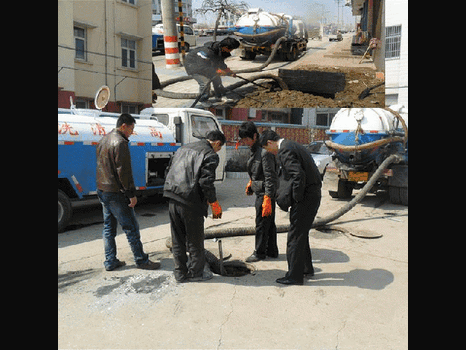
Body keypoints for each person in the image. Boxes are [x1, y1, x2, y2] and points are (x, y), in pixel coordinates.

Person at [96, 113, 160, 271]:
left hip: (103, 189)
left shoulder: (104, 139)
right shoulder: (120, 143)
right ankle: (141, 260)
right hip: (116, 193)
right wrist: (131, 194)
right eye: (131, 128)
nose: (132, 132)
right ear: (124, 126)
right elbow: (123, 172)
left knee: (108, 228)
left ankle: (110, 261)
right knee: (131, 227)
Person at [260, 130, 322, 285]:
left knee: (294, 237)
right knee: (301, 234)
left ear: (270, 143)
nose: (272, 153)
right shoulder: (292, 144)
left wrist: (296, 199)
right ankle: (306, 268)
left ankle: (294, 276)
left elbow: (298, 175)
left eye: (269, 150)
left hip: (306, 198)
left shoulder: (285, 149)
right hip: (312, 194)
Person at [163, 130, 226, 283]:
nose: (218, 150)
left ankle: (179, 273)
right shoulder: (210, 155)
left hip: (172, 196)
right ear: (217, 143)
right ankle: (196, 274)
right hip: (190, 202)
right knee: (195, 240)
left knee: (177, 238)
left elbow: (168, 170)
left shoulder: (183, 148)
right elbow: (206, 182)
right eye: (219, 147)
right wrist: (214, 203)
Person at [238, 121, 278, 262]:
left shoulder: (264, 152)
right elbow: (258, 172)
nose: (245, 142)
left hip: (265, 193)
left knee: (261, 223)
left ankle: (259, 253)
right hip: (262, 190)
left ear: (255, 136)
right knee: (269, 223)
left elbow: (270, 176)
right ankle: (272, 250)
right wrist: (251, 182)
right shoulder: (255, 150)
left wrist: (267, 197)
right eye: (243, 140)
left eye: (247, 139)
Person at [184, 37, 240, 103]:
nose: (231, 51)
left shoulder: (221, 50)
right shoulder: (207, 51)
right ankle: (203, 100)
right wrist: (218, 71)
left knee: (217, 79)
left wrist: (227, 70)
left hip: (205, 65)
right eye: (231, 49)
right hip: (193, 66)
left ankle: (219, 97)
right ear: (225, 47)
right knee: (205, 83)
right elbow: (202, 67)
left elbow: (220, 62)